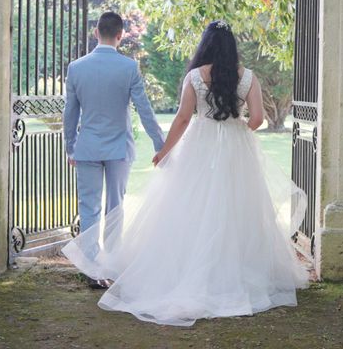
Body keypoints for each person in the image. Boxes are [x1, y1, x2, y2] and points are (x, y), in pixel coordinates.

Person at [62, 19, 308, 326]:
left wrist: (164, 151)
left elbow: (181, 119)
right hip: (236, 147)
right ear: (232, 46)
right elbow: (257, 118)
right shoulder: (248, 78)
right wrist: (237, 129)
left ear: (205, 45)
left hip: (199, 146)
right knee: (238, 206)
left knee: (191, 205)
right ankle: (236, 271)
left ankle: (177, 269)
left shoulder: (194, 77)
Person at [63, 11, 165, 289]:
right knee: (115, 207)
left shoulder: (76, 68)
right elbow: (144, 110)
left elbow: (69, 114)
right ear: (120, 36)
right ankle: (112, 263)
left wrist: (70, 147)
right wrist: (161, 144)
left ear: (96, 33)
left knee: (89, 207)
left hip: (87, 148)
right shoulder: (128, 68)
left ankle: (93, 270)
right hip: (119, 147)